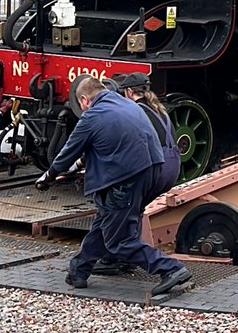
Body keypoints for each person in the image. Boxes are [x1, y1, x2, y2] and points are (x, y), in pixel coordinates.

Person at [35, 76, 191, 295]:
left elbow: (68, 153)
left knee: (118, 241)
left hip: (124, 179)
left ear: (84, 100)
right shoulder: (129, 105)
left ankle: (171, 269)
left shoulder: (92, 116)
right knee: (105, 221)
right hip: (152, 170)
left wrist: (48, 177)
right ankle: (79, 270)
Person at [93, 72, 181, 276]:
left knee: (118, 208)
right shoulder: (161, 110)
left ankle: (122, 257)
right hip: (172, 167)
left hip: (155, 166)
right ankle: (119, 256)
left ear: (129, 92)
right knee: (134, 209)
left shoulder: (133, 109)